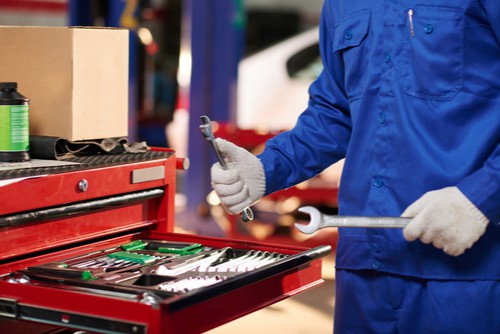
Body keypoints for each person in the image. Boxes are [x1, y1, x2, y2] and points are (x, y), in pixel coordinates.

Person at [211, 1, 500, 333]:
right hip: (366, 265)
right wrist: (266, 169)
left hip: (468, 269)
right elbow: (334, 112)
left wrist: (479, 198)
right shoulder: (341, 4)